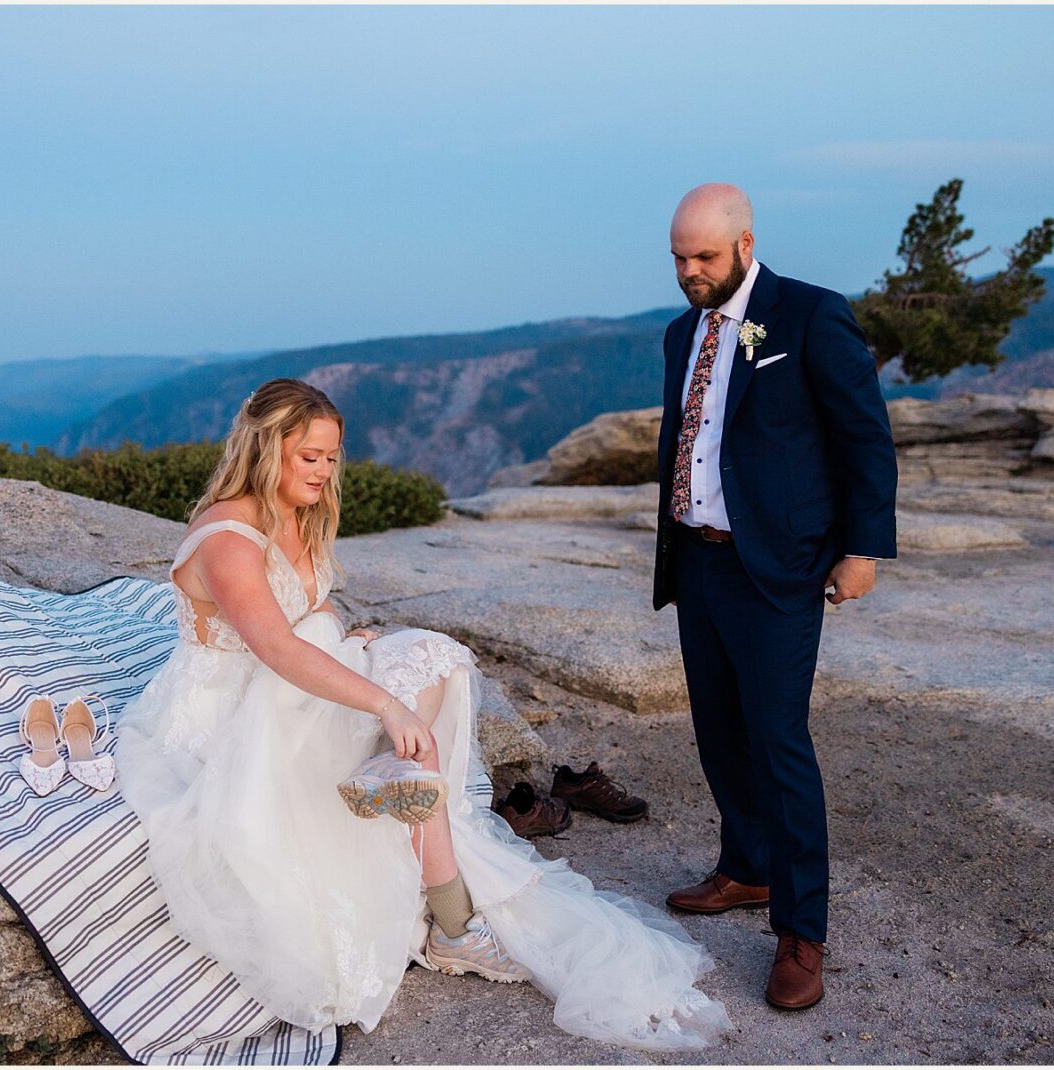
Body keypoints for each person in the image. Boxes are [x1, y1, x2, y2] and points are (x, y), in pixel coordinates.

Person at [116, 377, 732, 1053]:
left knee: (435, 657)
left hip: (286, 683)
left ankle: (395, 776)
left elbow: (310, 609)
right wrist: (379, 699)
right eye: (308, 457)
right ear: (266, 451)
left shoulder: (299, 512)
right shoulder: (229, 538)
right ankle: (453, 925)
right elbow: (277, 647)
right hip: (229, 712)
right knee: (409, 729)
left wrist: (347, 638)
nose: (323, 472)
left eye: (331, 457)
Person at [652, 184, 898, 1010]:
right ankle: (748, 868)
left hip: (779, 567)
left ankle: (801, 931)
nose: (690, 272)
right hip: (698, 561)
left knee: (779, 741)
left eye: (704, 257)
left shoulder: (811, 317)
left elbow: (864, 436)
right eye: (679, 258)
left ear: (746, 244)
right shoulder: (681, 332)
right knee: (720, 731)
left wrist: (862, 548)